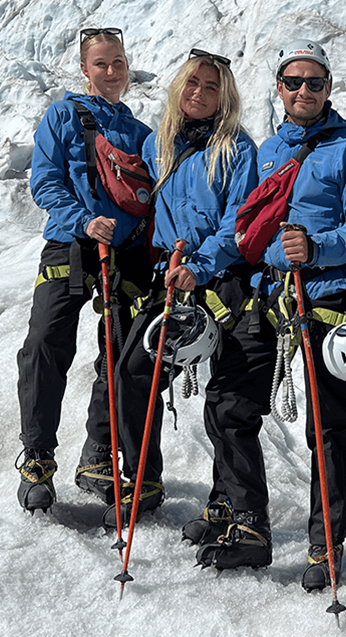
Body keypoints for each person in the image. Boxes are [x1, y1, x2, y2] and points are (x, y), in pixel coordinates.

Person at [107, 49, 274, 570]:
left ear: (225, 97)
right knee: (134, 370)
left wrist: (200, 265)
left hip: (221, 280)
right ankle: (144, 476)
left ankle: (235, 508)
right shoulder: (164, 147)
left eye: (210, 86)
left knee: (226, 400)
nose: (198, 92)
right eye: (192, 83)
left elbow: (238, 222)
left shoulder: (236, 150)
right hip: (171, 279)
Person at [253, 39, 346, 590]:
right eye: (294, 82)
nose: (304, 91)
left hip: (327, 295)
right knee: (233, 405)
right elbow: (253, 229)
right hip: (275, 295)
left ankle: (324, 542)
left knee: (329, 424)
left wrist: (317, 248)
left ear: (329, 88)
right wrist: (281, 255)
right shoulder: (265, 151)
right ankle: (240, 519)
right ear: (279, 88)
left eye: (315, 82)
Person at [16, 27, 152, 513]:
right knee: (45, 345)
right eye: (102, 63)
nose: (112, 71)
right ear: (84, 68)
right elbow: (47, 182)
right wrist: (84, 220)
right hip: (71, 244)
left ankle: (98, 454)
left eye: (118, 62)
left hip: (124, 251)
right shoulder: (62, 115)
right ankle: (37, 458)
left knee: (116, 353)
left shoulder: (140, 134)